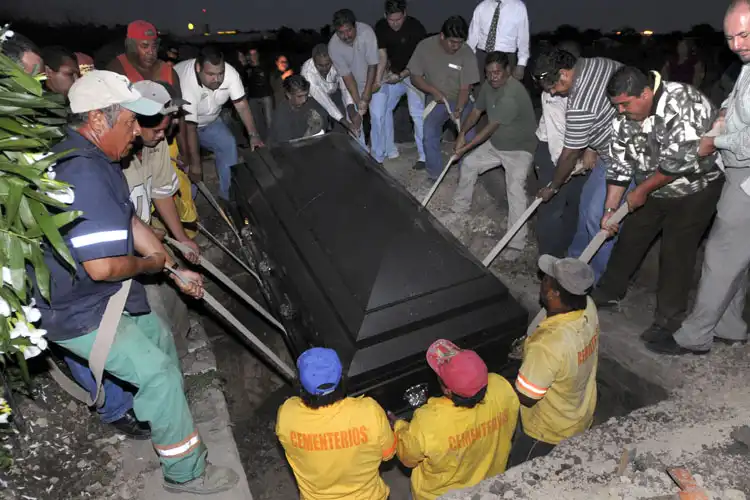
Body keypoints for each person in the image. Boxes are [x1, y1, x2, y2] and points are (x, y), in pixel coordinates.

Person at [37, 70, 238, 494]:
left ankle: (169, 416)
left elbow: (128, 220)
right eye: (130, 122)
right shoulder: (82, 173)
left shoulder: (98, 159)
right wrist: (150, 266)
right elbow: (102, 267)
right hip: (76, 308)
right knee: (157, 373)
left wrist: (174, 268)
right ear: (98, 119)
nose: (136, 132)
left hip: (101, 294)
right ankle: (186, 474)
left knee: (159, 338)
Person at [592, 67, 723, 343]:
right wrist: (610, 211)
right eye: (616, 106)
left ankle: (668, 322)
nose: (620, 111)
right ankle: (608, 292)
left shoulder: (683, 102)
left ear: (645, 93)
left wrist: (641, 191)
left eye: (625, 104)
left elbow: (679, 162)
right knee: (630, 237)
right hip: (652, 186)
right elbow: (619, 165)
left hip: (694, 189)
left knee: (676, 252)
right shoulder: (624, 116)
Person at [650, 0, 750, 355]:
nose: (737, 45)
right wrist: (723, 113)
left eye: (744, 35)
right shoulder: (747, 65)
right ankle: (730, 326)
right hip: (738, 169)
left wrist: (714, 142)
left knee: (720, 255)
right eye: (730, 37)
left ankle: (694, 337)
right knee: (736, 255)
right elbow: (736, 100)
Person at [533, 48, 624, 282]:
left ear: (564, 73)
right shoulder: (599, 62)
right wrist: (592, 148)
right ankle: (573, 263)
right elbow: (602, 114)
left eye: (554, 86)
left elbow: (570, 154)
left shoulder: (580, 103)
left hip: (622, 156)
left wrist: (553, 186)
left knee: (598, 218)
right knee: (584, 208)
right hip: (605, 150)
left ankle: (591, 279)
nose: (553, 93)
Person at [391, 340, 519, 500]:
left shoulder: (429, 421)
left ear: (447, 390)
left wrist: (399, 427)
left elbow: (408, 459)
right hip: (487, 487)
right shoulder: (501, 387)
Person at [510, 255, 599, 465]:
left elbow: (527, 397)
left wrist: (499, 388)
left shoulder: (548, 345)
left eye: (546, 279)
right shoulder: (588, 307)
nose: (542, 280)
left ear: (553, 293)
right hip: (579, 413)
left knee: (520, 472)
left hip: (546, 432)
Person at [275, 348, 397, 499]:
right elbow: (388, 454)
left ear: (300, 385)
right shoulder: (369, 412)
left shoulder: (287, 415)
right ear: (342, 380)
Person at [451, 51, 537, 259]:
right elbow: (476, 112)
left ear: (508, 70)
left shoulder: (512, 94)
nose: (493, 77)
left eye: (497, 72)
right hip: (497, 143)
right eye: (489, 73)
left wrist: (465, 147)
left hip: (519, 149)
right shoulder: (488, 86)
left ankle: (516, 242)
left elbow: (490, 127)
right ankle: (459, 209)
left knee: (515, 189)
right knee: (469, 163)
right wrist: (461, 134)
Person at [174, 45, 264, 200]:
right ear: (198, 68)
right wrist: (195, 164)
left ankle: (228, 197)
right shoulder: (186, 81)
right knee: (188, 167)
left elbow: (242, 105)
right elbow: (189, 128)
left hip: (211, 121)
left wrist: (253, 135)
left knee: (228, 144)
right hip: (179, 127)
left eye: (220, 73)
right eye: (210, 74)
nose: (217, 79)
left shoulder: (231, 74)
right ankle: (189, 206)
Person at [535, 42, 598, 258]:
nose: (553, 91)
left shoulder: (589, 87)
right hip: (555, 151)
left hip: (580, 151)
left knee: (576, 205)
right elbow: (558, 145)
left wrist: (591, 149)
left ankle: (566, 256)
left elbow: (596, 121)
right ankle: (547, 260)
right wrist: (556, 182)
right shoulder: (552, 95)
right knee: (552, 208)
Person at [408, 16, 480, 181]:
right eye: (452, 42)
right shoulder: (425, 46)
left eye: (460, 42)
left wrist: (459, 109)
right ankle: (435, 173)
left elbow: (465, 87)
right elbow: (415, 77)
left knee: (468, 136)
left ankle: (466, 176)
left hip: (461, 99)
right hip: (437, 99)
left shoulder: (467, 52)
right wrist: (432, 91)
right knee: (429, 133)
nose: (456, 46)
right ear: (442, 36)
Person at [371, 0, 427, 167]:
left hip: (414, 74)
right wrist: (378, 80)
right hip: (392, 74)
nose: (395, 23)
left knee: (417, 114)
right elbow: (382, 55)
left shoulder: (416, 28)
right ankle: (389, 149)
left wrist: (402, 75)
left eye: (398, 19)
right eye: (391, 20)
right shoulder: (380, 26)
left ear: (405, 14)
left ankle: (423, 156)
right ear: (385, 16)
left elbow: (422, 60)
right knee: (384, 108)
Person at [328, 9, 380, 146]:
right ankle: (360, 152)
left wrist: (366, 95)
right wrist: (358, 102)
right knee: (354, 122)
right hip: (354, 85)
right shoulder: (333, 46)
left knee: (378, 116)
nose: (346, 36)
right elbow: (348, 78)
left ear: (355, 26)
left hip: (375, 81)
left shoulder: (367, 32)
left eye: (349, 30)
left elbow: (372, 66)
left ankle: (379, 153)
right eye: (341, 32)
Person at [301, 44, 358, 134]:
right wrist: (344, 122)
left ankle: (341, 138)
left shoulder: (338, 62)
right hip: (314, 99)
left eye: (327, 64)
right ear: (314, 61)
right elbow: (325, 101)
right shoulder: (307, 73)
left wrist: (350, 107)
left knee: (344, 120)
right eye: (320, 65)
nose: (325, 69)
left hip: (334, 91)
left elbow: (345, 86)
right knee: (320, 121)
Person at [467, 0, 530, 81]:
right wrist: (468, 60)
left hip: (506, 58)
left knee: (505, 88)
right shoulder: (482, 6)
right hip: (482, 57)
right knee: (481, 87)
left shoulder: (518, 7)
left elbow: (523, 39)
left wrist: (521, 64)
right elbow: (472, 37)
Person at [269, 75, 329, 144]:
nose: (304, 100)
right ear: (289, 95)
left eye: (306, 95)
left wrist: (321, 121)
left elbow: (325, 121)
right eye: (299, 96)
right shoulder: (281, 116)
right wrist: (310, 132)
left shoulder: (311, 102)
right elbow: (288, 146)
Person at [245, 47, 274, 139]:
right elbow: (246, 83)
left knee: (269, 120)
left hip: (266, 96)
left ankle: (272, 140)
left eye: (255, 54)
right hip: (253, 97)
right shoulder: (247, 68)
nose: (253, 56)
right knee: (256, 121)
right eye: (251, 54)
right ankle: (261, 140)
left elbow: (268, 79)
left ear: (258, 55)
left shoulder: (265, 65)